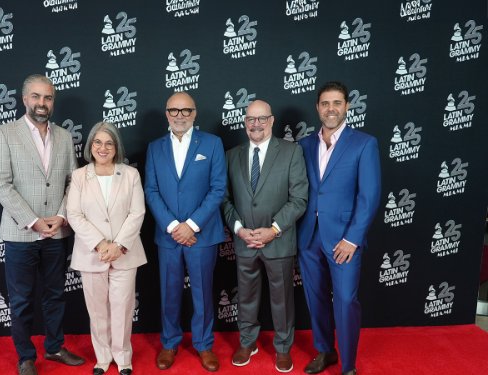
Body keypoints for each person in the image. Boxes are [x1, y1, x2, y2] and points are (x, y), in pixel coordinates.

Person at [0, 74, 84, 375]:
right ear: (24, 98)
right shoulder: (4, 133)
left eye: (48, 98)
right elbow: (0, 184)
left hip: (57, 231)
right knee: (20, 300)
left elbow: (74, 182)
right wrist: (33, 221)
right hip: (20, 233)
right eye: (36, 97)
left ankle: (54, 347)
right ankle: (26, 356)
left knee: (55, 294)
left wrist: (61, 216)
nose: (42, 103)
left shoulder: (65, 136)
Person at [298, 81, 381, 375]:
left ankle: (348, 364)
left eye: (337, 103)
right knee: (315, 297)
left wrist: (352, 239)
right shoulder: (304, 145)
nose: (330, 109)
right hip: (308, 236)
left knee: (345, 300)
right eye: (325, 103)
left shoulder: (364, 143)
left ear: (347, 106)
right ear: (318, 108)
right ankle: (324, 351)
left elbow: (369, 196)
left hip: (344, 239)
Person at [222, 100, 308, 373]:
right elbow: (224, 200)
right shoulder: (231, 155)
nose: (255, 124)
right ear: (244, 123)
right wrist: (239, 229)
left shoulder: (292, 152)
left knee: (282, 299)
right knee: (245, 296)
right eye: (250, 119)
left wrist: (272, 230)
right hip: (245, 241)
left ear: (271, 121)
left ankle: (283, 347)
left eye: (261, 119)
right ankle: (248, 342)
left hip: (278, 241)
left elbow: (299, 199)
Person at [144, 92, 226, 372]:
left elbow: (218, 189)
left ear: (194, 113)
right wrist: (172, 226)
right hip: (168, 235)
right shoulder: (155, 148)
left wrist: (190, 225)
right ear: (167, 114)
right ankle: (169, 342)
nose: (180, 115)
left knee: (203, 293)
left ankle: (204, 345)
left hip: (201, 233)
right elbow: (151, 190)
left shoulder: (213, 144)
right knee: (169, 292)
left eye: (186, 110)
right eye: (174, 110)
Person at [67, 122, 147, 375]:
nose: (103, 148)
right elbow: (74, 214)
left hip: (125, 253)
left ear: (116, 147)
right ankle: (102, 358)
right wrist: (102, 244)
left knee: (122, 308)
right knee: (97, 310)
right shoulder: (80, 176)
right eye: (98, 143)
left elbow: (137, 212)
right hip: (92, 254)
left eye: (109, 143)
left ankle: (123, 358)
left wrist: (119, 245)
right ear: (91, 146)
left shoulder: (130, 174)